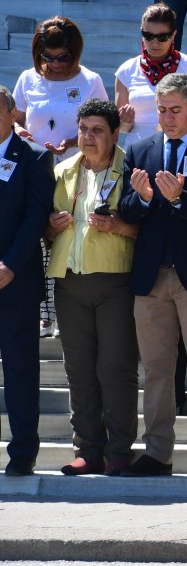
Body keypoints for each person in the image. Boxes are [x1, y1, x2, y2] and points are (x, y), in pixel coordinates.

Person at [118, 73, 187, 479]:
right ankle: (157, 452)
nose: (166, 118)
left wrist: (179, 198)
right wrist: (146, 198)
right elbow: (126, 211)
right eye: (162, 110)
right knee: (156, 368)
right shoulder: (141, 148)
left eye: (175, 110)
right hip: (151, 276)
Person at [44, 99, 139, 476]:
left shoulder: (133, 167)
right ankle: (87, 448)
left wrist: (118, 226)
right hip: (69, 282)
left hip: (115, 280)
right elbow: (46, 231)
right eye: (84, 129)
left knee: (115, 369)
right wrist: (51, 225)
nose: (88, 137)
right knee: (79, 370)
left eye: (98, 130)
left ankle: (118, 450)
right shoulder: (64, 170)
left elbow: (146, 228)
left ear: (116, 134)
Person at [13, 16, 108, 339]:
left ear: (75, 52)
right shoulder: (27, 79)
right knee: (36, 237)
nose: (54, 64)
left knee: (65, 235)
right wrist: (25, 134)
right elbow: (15, 120)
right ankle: (44, 313)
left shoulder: (90, 80)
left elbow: (104, 125)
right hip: (35, 170)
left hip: (75, 170)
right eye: (47, 58)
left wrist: (74, 142)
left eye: (62, 57)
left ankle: (66, 312)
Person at [0, 85, 55, 476]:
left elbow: (35, 218)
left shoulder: (34, 157)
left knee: (20, 369)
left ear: (11, 113)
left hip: (14, 281)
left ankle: (22, 452)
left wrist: (9, 265)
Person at [115, 3, 187, 150]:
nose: (155, 42)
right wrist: (124, 121)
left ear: (174, 35)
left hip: (180, 149)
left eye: (162, 37)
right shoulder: (126, 70)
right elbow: (123, 129)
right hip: (139, 152)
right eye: (148, 36)